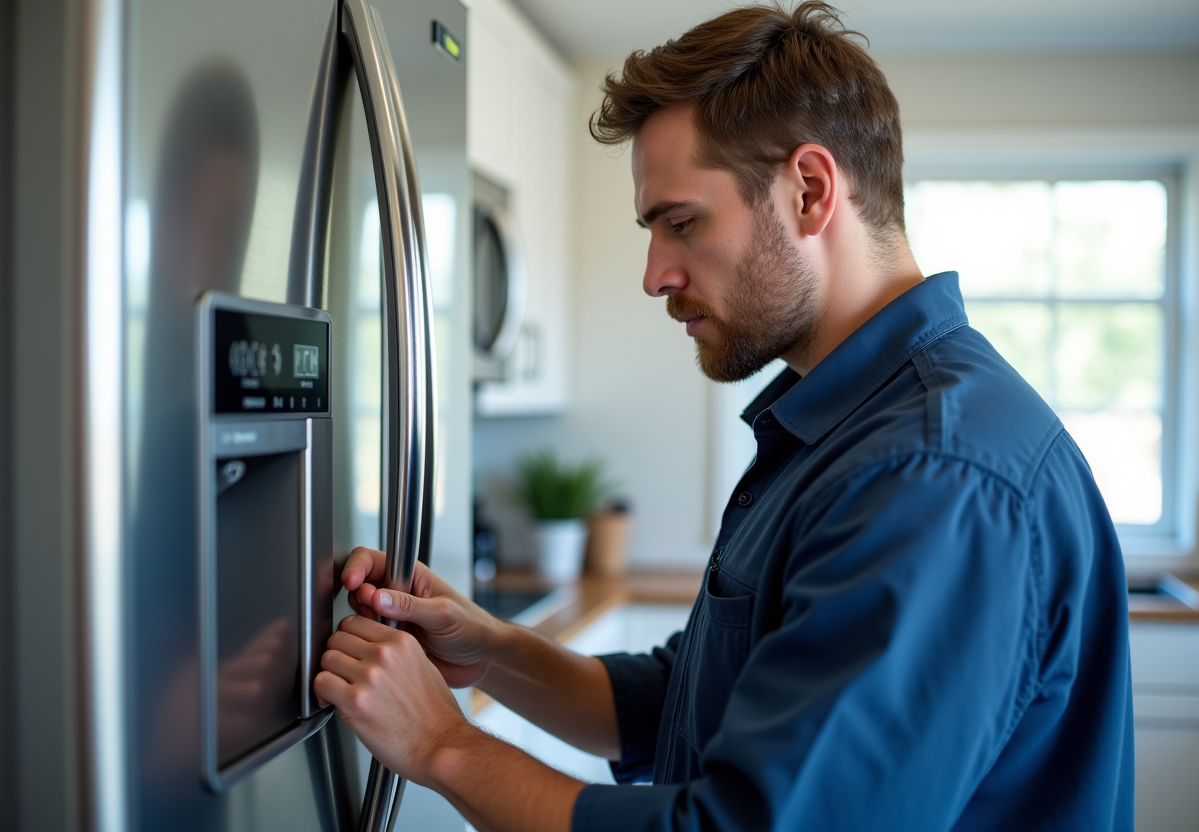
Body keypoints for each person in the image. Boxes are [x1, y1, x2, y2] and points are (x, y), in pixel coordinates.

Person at [313, 3, 1135, 830]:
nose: (655, 275)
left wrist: (443, 748)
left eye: (680, 223)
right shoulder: (847, 427)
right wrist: (491, 650)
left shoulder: (931, 476)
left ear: (809, 191)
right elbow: (687, 702)